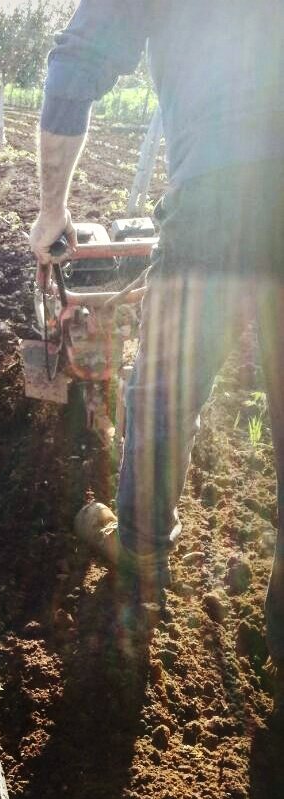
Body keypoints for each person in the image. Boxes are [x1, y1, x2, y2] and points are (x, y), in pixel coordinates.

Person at [29, 0, 284, 725]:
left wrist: (53, 213)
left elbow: (75, 61)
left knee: (163, 396)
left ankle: (140, 567)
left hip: (218, 193)